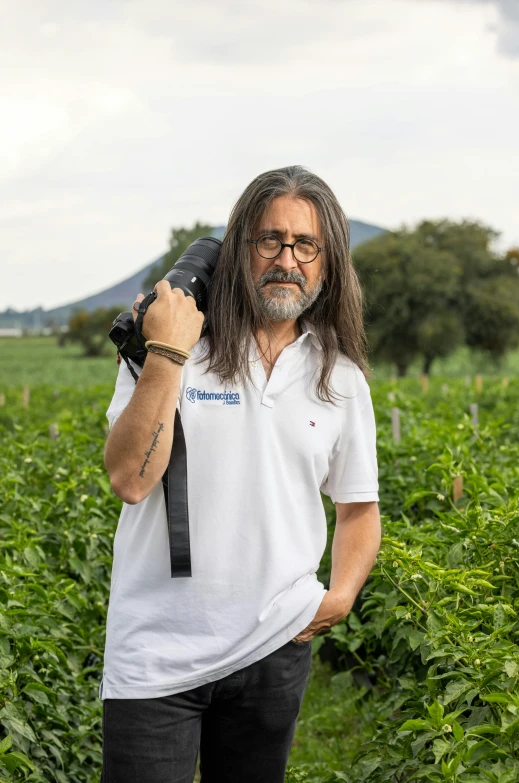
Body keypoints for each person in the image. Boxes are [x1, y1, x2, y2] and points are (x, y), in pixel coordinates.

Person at [100, 165, 381, 783]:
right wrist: (167, 352)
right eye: (269, 240)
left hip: (274, 650)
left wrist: (341, 595)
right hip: (155, 657)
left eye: (306, 244)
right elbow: (129, 480)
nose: (287, 259)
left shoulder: (341, 378)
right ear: (238, 250)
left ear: (328, 260)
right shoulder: (171, 350)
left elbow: (358, 507)